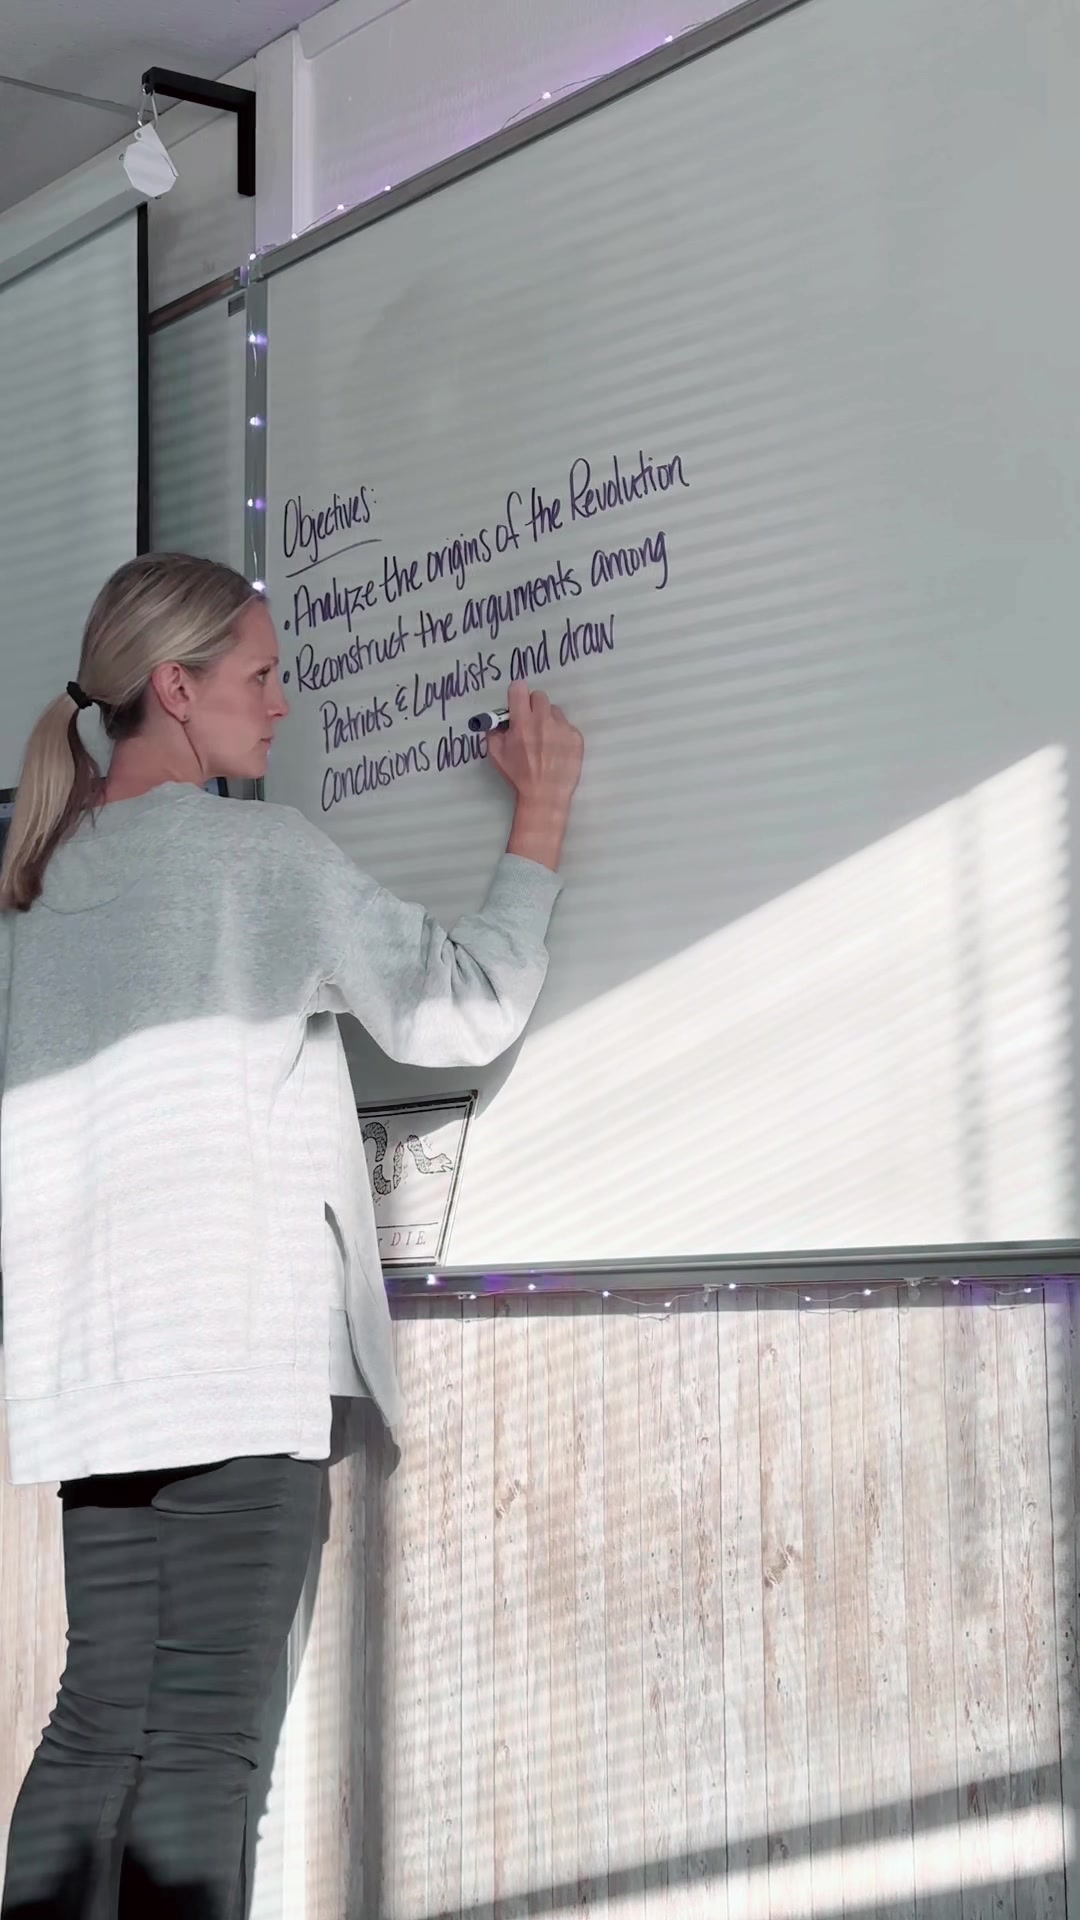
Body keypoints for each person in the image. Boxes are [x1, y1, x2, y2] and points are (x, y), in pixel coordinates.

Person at [0, 552, 583, 1917]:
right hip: (231, 1365)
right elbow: (458, 1009)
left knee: (97, 1722)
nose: (282, 703)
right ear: (175, 687)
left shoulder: (43, 881)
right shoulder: (258, 858)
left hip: (96, 1377)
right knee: (206, 1749)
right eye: (260, 676)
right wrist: (544, 812)